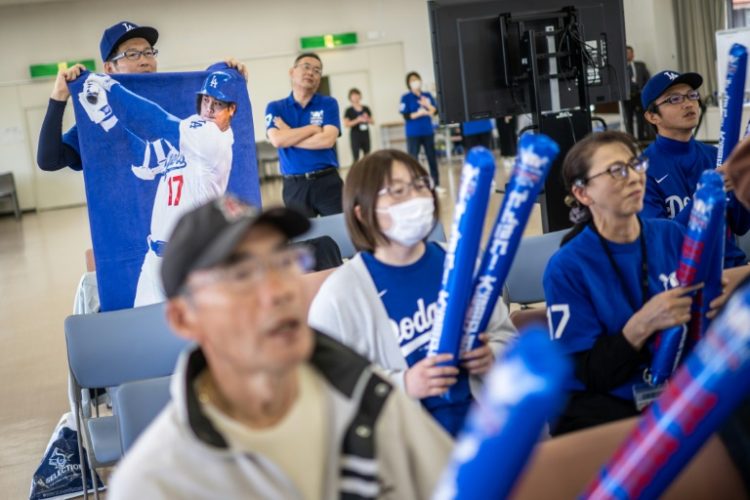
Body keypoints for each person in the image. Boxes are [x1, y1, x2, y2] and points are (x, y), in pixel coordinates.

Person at [108, 195, 452, 498]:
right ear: (184, 318)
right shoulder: (156, 482)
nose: (279, 291)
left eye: (284, 262)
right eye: (241, 274)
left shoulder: (364, 394)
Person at [308, 149, 517, 436]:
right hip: (408, 449)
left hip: (487, 433)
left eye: (420, 185)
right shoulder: (340, 296)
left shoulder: (462, 262)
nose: (415, 198)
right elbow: (327, 391)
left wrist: (491, 355)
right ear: (363, 212)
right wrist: (404, 384)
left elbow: (505, 334)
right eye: (396, 191)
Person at [543, 131, 700, 436]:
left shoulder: (671, 236)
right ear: (583, 193)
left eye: (636, 164)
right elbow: (590, 373)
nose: (634, 178)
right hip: (605, 404)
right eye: (616, 171)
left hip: (676, 390)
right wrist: (643, 323)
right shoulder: (567, 267)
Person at [78, 69, 242, 306]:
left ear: (231, 109)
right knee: (144, 332)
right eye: (206, 99)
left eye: (217, 103)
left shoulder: (213, 139)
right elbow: (144, 157)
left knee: (185, 334)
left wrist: (112, 87)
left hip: (189, 258)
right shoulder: (190, 134)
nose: (208, 108)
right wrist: (106, 118)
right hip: (154, 256)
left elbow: (157, 121)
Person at [36, 20, 247, 172]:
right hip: (132, 227)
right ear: (109, 67)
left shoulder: (176, 102)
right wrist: (58, 98)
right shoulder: (97, 121)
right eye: (132, 54)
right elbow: (49, 161)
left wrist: (226, 77)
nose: (145, 60)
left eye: (148, 52)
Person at [640, 70, 750, 269]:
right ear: (652, 116)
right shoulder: (642, 171)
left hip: (732, 267)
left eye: (692, 95)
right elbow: (662, 242)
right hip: (684, 278)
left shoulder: (715, 155)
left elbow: (740, 225)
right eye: (674, 99)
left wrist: (744, 180)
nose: (688, 103)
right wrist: (704, 196)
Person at [265, 53, 343, 217]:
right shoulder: (276, 107)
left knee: (341, 234)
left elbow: (327, 140)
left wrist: (288, 133)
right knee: (305, 240)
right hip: (294, 186)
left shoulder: (328, 104)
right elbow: (277, 140)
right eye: (306, 67)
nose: (311, 73)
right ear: (292, 72)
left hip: (328, 182)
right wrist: (312, 129)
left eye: (317, 70)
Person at [400, 71, 442, 191]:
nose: (415, 82)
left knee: (432, 158)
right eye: (412, 80)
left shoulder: (427, 95)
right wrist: (419, 113)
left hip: (427, 131)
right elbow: (406, 116)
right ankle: (414, 185)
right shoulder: (406, 98)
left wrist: (426, 105)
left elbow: (435, 111)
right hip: (413, 133)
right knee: (413, 159)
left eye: (416, 79)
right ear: (408, 83)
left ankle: (436, 184)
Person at [623, 45, 650, 140]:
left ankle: (641, 139)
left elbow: (647, 78)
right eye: (626, 53)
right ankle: (630, 139)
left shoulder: (641, 65)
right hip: (628, 97)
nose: (628, 55)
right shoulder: (622, 68)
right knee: (628, 119)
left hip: (639, 96)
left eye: (629, 53)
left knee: (641, 119)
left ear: (633, 54)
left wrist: (644, 90)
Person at [343, 88, 373, 163]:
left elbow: (372, 121)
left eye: (357, 95)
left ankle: (368, 173)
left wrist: (367, 118)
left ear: (360, 96)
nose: (355, 97)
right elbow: (346, 124)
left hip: (365, 133)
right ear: (350, 97)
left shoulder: (366, 108)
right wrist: (358, 120)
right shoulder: (348, 110)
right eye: (353, 95)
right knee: (356, 157)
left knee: (367, 156)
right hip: (355, 135)